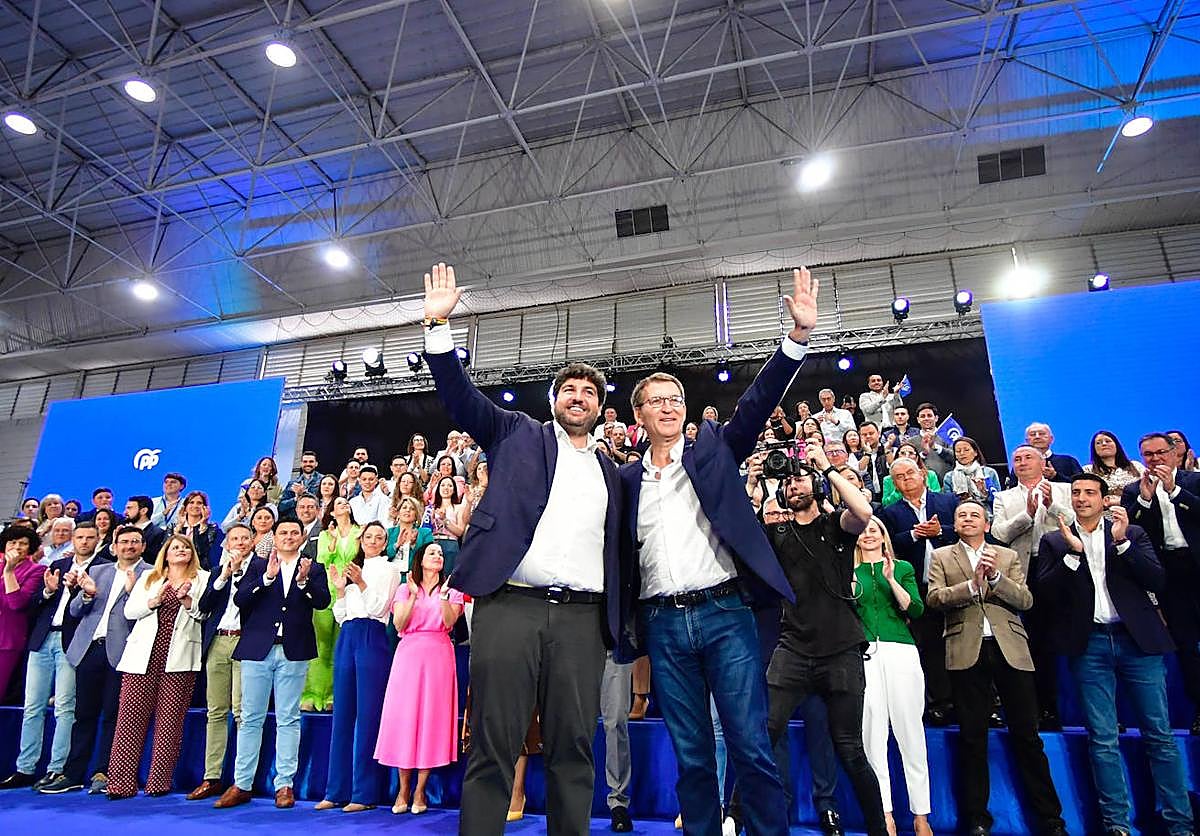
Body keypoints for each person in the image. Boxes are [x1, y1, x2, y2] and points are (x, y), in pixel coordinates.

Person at [422, 262, 621, 836]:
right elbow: (459, 398)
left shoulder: (615, 473)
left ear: (600, 408)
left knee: (574, 749)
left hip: (584, 622)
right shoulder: (515, 432)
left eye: (589, 391)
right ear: (554, 398)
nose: (578, 397)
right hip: (511, 606)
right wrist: (439, 327)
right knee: (493, 745)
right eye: (569, 389)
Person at [623, 267, 821, 836]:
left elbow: (757, 403)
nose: (668, 407)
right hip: (662, 624)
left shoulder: (714, 450)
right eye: (655, 401)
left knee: (751, 746)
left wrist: (796, 340)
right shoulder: (626, 481)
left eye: (675, 399)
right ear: (639, 416)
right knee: (692, 759)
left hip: (725, 615)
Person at [1039, 473, 1193, 836]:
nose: (1081, 498)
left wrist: (1122, 543)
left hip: (1137, 642)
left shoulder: (1131, 533)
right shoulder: (1055, 541)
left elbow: (1157, 581)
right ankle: (1117, 825)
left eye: (1089, 492)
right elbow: (1044, 594)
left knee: (1160, 735)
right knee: (1102, 738)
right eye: (1076, 493)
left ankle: (1180, 824)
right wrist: (1074, 555)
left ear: (1104, 498)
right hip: (1089, 644)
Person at [758, 446, 888, 836]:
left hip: (842, 649)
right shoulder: (777, 532)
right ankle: (740, 817)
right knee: (764, 736)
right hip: (793, 647)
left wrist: (827, 467)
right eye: (787, 481)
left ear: (814, 483)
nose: (794, 484)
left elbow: (864, 512)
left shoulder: (836, 527)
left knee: (850, 750)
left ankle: (879, 830)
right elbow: (741, 535)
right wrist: (755, 482)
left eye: (800, 478)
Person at [926, 501, 1067, 836]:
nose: (968, 519)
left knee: (1027, 736)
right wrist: (971, 588)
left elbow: (1025, 600)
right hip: (966, 650)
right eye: (962, 515)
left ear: (986, 524)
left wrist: (995, 578)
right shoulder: (942, 556)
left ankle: (1050, 819)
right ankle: (976, 818)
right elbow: (934, 599)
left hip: (1010, 649)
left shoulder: (1006, 556)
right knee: (972, 737)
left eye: (975, 514)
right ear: (955, 524)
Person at [215, 519, 331, 810]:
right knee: (251, 717)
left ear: (302, 536)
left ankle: (285, 785)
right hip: (258, 649)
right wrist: (267, 578)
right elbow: (241, 599)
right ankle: (242, 784)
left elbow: (322, 601)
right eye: (283, 533)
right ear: (273, 538)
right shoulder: (257, 565)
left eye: (294, 533)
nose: (289, 537)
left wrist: (304, 583)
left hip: (294, 651)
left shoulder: (313, 568)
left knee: (288, 718)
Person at [40, 526, 151, 795]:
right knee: (83, 714)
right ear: (114, 546)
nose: (129, 546)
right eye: (123, 542)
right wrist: (87, 593)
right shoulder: (99, 571)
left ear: (143, 546)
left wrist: (132, 591)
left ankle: (106, 771)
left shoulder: (150, 574)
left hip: (122, 652)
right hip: (89, 649)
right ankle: (74, 773)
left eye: (135, 542)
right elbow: (76, 610)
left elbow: (143, 614)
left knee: (114, 715)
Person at [0, 522, 104, 791]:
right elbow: (32, 604)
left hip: (73, 641)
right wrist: (47, 591)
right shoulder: (58, 564)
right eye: (79, 537)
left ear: (98, 539)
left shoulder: (104, 568)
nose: (83, 542)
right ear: (73, 539)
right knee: (32, 706)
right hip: (43, 637)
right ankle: (25, 767)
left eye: (89, 537)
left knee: (65, 707)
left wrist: (82, 591)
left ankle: (57, 768)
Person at [105, 535, 209, 799]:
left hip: (180, 658)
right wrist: (154, 602)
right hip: (142, 658)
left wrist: (187, 601)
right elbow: (130, 611)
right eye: (175, 547)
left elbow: (203, 613)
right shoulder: (150, 577)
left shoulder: (202, 578)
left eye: (186, 547)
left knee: (170, 723)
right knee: (129, 720)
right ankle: (120, 784)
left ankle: (158, 783)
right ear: (166, 553)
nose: (181, 551)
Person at [853, 517, 933, 836]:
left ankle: (920, 815)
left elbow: (914, 609)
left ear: (883, 536)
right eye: (863, 530)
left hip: (900, 650)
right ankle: (884, 813)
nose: (868, 534)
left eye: (874, 529)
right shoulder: (849, 573)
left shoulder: (901, 568)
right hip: (864, 655)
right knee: (872, 733)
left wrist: (891, 580)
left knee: (910, 731)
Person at [375, 541, 465, 815]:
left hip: (439, 653)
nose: (437, 556)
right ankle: (402, 788)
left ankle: (420, 790)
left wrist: (443, 596)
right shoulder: (404, 588)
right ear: (420, 559)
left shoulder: (453, 590)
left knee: (431, 719)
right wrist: (414, 595)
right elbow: (400, 624)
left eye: (440, 553)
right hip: (409, 654)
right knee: (406, 718)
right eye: (431, 553)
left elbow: (449, 622)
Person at [991, 444, 1075, 730]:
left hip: (1062, 569)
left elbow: (1076, 521)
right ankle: (1043, 709)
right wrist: (1026, 515)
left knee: (1069, 640)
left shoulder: (1064, 490)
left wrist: (1052, 505)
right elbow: (999, 533)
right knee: (1035, 643)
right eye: (1017, 459)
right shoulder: (1004, 497)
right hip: (1025, 571)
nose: (1023, 462)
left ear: (1043, 462)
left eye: (1029, 457)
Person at [316, 521, 398, 812]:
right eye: (369, 536)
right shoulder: (351, 568)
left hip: (372, 637)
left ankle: (363, 793)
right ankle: (335, 789)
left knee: (367, 716)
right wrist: (341, 590)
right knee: (342, 715)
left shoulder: (390, 570)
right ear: (361, 540)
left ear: (385, 542)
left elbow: (378, 608)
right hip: (347, 635)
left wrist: (361, 583)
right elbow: (340, 615)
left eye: (379, 537)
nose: (373, 540)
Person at [1122, 432, 1200, 735]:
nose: (1155, 459)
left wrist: (1174, 491)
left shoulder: (1193, 482)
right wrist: (1145, 499)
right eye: (1148, 454)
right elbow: (1129, 526)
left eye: (1160, 453)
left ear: (1174, 452)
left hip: (1196, 565)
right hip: (1169, 575)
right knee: (1186, 646)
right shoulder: (1134, 490)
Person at [878, 457, 959, 725]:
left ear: (923, 474)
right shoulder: (890, 512)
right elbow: (888, 545)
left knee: (965, 644)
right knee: (930, 647)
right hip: (919, 588)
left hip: (956, 584)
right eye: (899, 477)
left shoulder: (947, 502)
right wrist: (914, 534)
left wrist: (940, 531)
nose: (906, 479)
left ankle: (976, 702)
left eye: (910, 473)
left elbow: (965, 530)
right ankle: (940, 703)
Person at [187, 523, 254, 802]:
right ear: (226, 543)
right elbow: (203, 606)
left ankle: (240, 781)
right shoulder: (218, 572)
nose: (239, 542)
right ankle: (211, 777)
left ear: (253, 542)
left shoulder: (263, 569)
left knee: (241, 712)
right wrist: (224, 577)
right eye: (234, 538)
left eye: (244, 538)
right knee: (215, 711)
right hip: (217, 642)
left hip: (246, 642)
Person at [304, 496, 360, 712]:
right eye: (339, 503)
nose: (343, 505)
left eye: (346, 503)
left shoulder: (360, 532)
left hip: (350, 593)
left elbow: (358, 557)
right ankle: (311, 694)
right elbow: (323, 559)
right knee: (321, 646)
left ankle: (333, 696)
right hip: (326, 593)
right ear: (332, 512)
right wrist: (334, 542)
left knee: (341, 648)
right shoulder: (326, 535)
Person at [0, 527, 46, 696]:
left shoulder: (36, 570)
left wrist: (9, 572)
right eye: (12, 542)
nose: (17, 547)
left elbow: (17, 604)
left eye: (23, 543)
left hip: (7, 639)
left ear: (30, 548)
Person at [599, 652, 635, 832]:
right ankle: (570, 799)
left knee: (617, 720)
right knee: (575, 722)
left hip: (614, 642)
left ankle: (618, 803)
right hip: (575, 639)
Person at [1083, 430, 1143, 508]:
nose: (1104, 444)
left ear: (1116, 445)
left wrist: (1121, 501)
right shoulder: (1087, 470)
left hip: (1136, 513)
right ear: (1094, 449)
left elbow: (1147, 491)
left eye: (1108, 441)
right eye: (1098, 443)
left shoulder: (1136, 466)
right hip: (1104, 516)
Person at [427, 475, 471, 574]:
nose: (446, 488)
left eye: (450, 486)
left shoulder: (459, 507)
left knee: (447, 577)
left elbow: (460, 531)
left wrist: (445, 520)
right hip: (432, 543)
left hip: (450, 544)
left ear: (454, 490)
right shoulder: (431, 508)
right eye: (442, 485)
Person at [942, 436, 1002, 509]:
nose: (962, 453)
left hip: (987, 514)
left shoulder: (989, 473)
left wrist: (984, 492)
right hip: (961, 513)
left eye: (966, 450)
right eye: (958, 451)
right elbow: (948, 503)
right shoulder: (949, 476)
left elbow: (998, 500)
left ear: (976, 453)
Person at [880, 442, 941, 507]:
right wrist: (898, 491)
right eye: (903, 453)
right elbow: (886, 504)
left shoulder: (930, 475)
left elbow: (938, 497)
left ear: (917, 458)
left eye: (911, 453)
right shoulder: (888, 479)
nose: (907, 456)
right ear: (897, 457)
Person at [174, 490, 222, 569]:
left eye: (199, 503)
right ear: (185, 507)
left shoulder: (212, 529)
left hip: (200, 569)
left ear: (205, 507)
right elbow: (168, 550)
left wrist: (203, 525)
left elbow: (203, 553)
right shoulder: (173, 527)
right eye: (191, 502)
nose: (195, 505)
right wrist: (179, 527)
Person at [913, 403, 954, 482]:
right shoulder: (911, 442)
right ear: (918, 419)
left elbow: (955, 458)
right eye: (922, 416)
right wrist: (924, 453)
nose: (926, 418)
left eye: (929, 415)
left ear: (936, 418)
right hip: (921, 486)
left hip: (946, 486)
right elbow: (908, 464)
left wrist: (936, 447)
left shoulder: (947, 437)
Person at [387, 495, 432, 566]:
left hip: (414, 574)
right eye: (404, 508)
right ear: (398, 513)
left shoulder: (425, 533)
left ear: (416, 515)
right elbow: (384, 556)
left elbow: (428, 558)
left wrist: (413, 545)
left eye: (412, 509)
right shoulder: (389, 532)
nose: (408, 510)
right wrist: (396, 545)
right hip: (392, 574)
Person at [279, 451, 323, 519]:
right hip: (296, 521)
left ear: (316, 464)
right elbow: (281, 506)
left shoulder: (323, 481)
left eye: (311, 461)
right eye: (305, 462)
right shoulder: (292, 483)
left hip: (316, 520)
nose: (308, 464)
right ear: (301, 464)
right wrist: (295, 499)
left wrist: (304, 493)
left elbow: (326, 501)